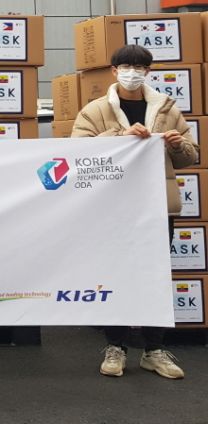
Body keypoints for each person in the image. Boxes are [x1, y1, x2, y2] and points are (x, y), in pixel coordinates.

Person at [71, 44, 197, 380]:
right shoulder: (95, 110)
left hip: (157, 207)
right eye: (126, 67)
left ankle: (154, 350)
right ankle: (116, 347)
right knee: (114, 274)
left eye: (139, 67)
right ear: (113, 71)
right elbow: (78, 153)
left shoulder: (166, 108)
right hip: (113, 208)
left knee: (156, 276)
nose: (132, 73)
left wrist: (177, 145)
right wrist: (120, 137)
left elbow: (191, 157)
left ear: (148, 71)